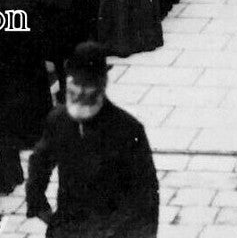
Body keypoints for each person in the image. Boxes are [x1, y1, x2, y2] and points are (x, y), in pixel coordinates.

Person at [26, 42, 159, 238]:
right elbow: (40, 161)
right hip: (69, 227)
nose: (80, 93)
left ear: (102, 83)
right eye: (76, 85)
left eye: (87, 86)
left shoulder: (127, 129)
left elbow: (146, 193)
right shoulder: (59, 120)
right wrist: (37, 203)